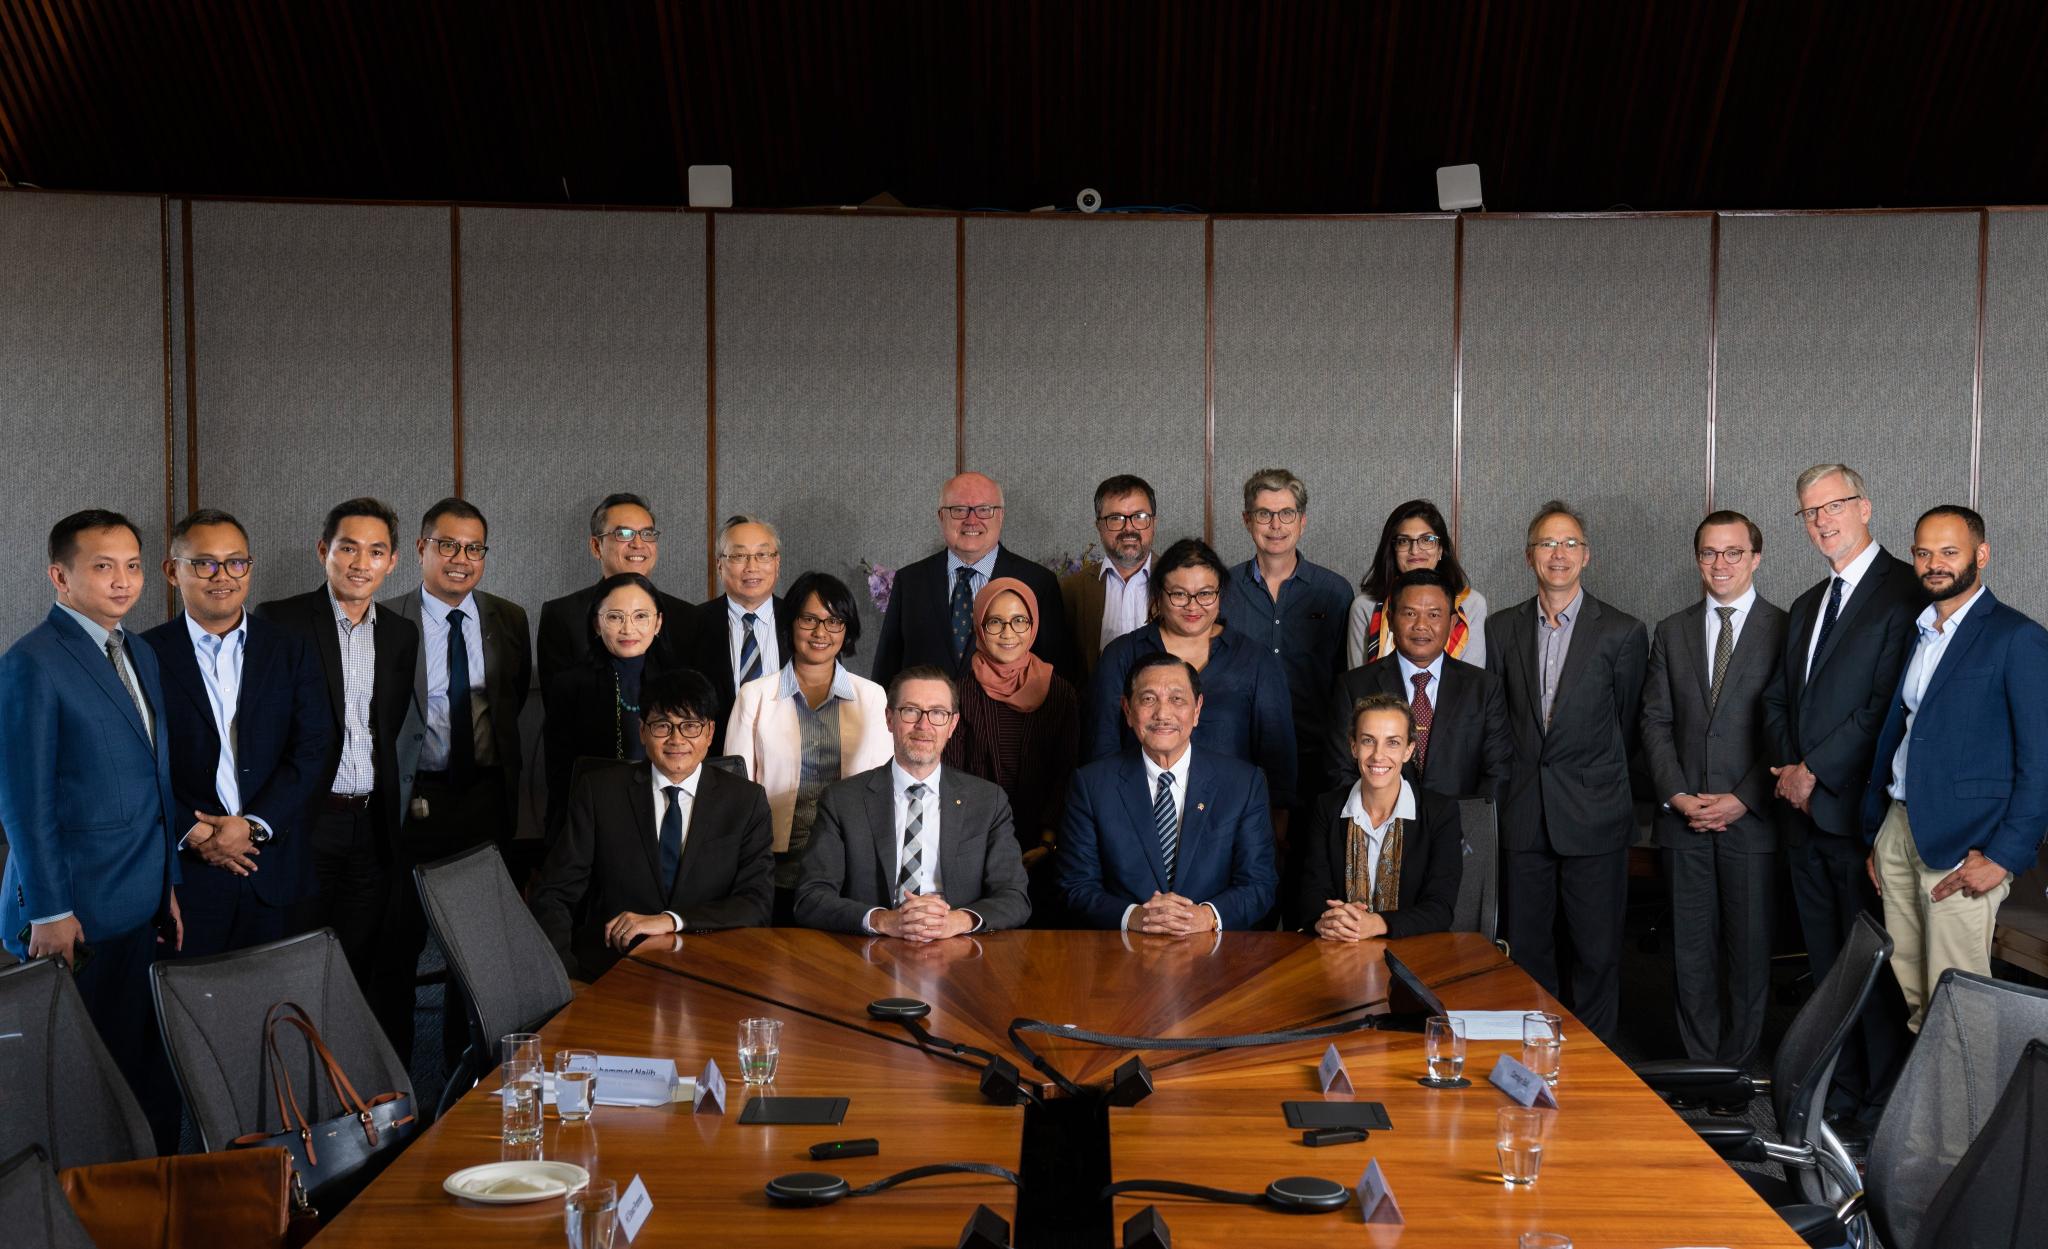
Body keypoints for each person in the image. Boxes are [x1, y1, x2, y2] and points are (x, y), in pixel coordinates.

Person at [0, 510, 183, 1149]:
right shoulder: (31, 662)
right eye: (103, 567)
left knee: (144, 1069)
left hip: (141, 897)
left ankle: (153, 1194)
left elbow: (156, 783)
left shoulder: (139, 649)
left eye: (132, 566)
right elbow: (25, 803)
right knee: (79, 1085)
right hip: (74, 912)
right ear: (60, 576)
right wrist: (49, 910)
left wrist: (170, 883)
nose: (122, 581)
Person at [1760, 464, 1921, 1128]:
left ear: (1866, 507)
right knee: (1828, 976)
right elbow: (1775, 700)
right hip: (1802, 819)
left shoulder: (1904, 592)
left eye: (1834, 506)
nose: (1822, 520)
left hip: (1857, 818)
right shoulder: (1806, 603)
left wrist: (1816, 771)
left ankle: (1879, 1107)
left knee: (1873, 977)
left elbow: (1886, 705)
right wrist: (1787, 770)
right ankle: (1838, 1096)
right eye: (1810, 511)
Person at [1863, 506, 2048, 1033]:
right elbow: (1903, 732)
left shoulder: (2018, 638)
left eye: (1950, 551)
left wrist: (2004, 857)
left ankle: (1971, 1117)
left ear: (1981, 555)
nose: (1934, 564)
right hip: (1900, 829)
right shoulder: (1918, 633)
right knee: (1918, 998)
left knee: (1960, 1005)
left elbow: (2041, 762)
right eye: (1923, 552)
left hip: (1968, 846)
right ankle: (1931, 1114)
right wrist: (1880, 834)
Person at [256, 498, 421, 1048]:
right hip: (306, 822)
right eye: (348, 547)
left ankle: (350, 1087)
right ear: (324, 550)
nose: (360, 562)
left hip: (370, 825)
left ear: (393, 561)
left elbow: (387, 729)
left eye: (376, 551)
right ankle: (295, 1088)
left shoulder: (400, 633)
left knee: (359, 963)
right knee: (297, 961)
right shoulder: (280, 621)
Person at [1485, 500, 1647, 1042]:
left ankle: (1593, 1065)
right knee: (1527, 952)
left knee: (1596, 953)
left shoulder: (1621, 632)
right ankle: (1535, 1058)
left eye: (1571, 544)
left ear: (1587, 556)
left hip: (1594, 813)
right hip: (1524, 814)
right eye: (1548, 544)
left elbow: (1626, 727)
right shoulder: (1501, 627)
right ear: (1529, 556)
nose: (1560, 554)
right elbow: (1499, 723)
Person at [379, 497, 532, 1068]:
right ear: (421, 549)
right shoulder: (388, 619)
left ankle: (462, 1072)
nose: (460, 559)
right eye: (447, 545)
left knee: (479, 951)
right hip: (413, 803)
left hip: (485, 801)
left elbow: (509, 706)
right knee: (399, 947)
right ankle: (396, 1081)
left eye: (473, 548)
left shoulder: (509, 618)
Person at [143, 509, 329, 959]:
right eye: (203, 563)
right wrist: (195, 832)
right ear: (173, 571)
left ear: (249, 566)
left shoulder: (290, 648)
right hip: (188, 874)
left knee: (279, 1011)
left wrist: (254, 826)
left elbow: (313, 748)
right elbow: (138, 763)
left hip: (274, 866)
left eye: (235, 562)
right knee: (190, 1014)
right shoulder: (145, 653)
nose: (221, 576)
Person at [1639, 511, 1787, 1069]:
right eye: (1708, 553)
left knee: (1748, 954)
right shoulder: (1672, 630)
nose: (1719, 564)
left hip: (1751, 820)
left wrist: (1743, 798)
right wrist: (1677, 795)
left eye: (1732, 553)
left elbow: (1786, 726)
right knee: (1689, 952)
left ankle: (1737, 1071)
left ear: (1756, 557)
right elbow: (1653, 722)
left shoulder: (1786, 627)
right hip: (1684, 819)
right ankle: (1701, 1067)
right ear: (1696, 558)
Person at [530, 670, 773, 980]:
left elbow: (757, 903)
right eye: (662, 726)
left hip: (712, 971)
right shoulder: (599, 793)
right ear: (642, 731)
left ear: (710, 733)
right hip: (613, 971)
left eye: (690, 726)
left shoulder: (745, 800)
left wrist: (672, 920)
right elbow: (554, 895)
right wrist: (564, 979)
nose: (676, 740)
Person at [794, 666, 1032, 937]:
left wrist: (957, 921)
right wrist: (883, 921)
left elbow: (1014, 898)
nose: (924, 725)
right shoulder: (842, 800)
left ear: (952, 725)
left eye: (938, 713)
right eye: (910, 710)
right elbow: (810, 898)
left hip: (959, 952)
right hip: (870, 954)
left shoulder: (988, 801)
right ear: (889, 719)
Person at [1062, 653, 1279, 933]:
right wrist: (1135, 917)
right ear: (1127, 710)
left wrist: (1207, 916)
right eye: (1148, 699)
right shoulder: (1091, 785)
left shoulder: (1243, 783)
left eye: (1177, 699)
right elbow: (1075, 885)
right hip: (1121, 954)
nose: (1163, 714)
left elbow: (1259, 885)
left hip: (1215, 955)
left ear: (1197, 709)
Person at [725, 571, 893, 923]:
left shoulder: (873, 697)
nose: (821, 633)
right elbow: (735, 792)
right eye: (809, 619)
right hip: (773, 868)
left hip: (851, 866)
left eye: (834, 621)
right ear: (791, 624)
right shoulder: (754, 696)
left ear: (847, 629)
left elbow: (882, 789)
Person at [1086, 537, 1297, 814]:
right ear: (1158, 595)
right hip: (1137, 813)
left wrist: (1276, 826)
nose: (1193, 606)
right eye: (1179, 594)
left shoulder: (1255, 661)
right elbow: (1102, 748)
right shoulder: (1122, 655)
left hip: (1231, 816)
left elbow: (1278, 758)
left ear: (1220, 594)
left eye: (1206, 593)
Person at [942, 576, 1081, 923]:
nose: (1008, 632)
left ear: (1033, 626)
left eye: (1020, 620)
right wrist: (990, 843)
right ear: (979, 626)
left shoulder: (1060, 692)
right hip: (974, 848)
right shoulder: (958, 693)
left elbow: (1068, 771)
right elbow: (952, 777)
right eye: (996, 622)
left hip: (1047, 848)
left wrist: (1047, 841)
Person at [1224, 469, 1354, 818]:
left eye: (1287, 514)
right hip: (1239, 752)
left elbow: (1347, 678)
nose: (1276, 525)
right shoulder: (1222, 590)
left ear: (1303, 521)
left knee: (1311, 865)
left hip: (1317, 755)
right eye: (1264, 514)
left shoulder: (1335, 592)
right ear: (1247, 520)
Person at [870, 472, 1078, 686]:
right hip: (926, 717)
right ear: (941, 516)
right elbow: (886, 669)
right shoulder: (910, 581)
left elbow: (1057, 673)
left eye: (984, 510)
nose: (971, 520)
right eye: (959, 510)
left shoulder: (1038, 582)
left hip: (1006, 718)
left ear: (1001, 515)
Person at [1286, 693, 1464, 939]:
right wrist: (1326, 922)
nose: (1378, 755)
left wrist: (1377, 924)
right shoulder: (1327, 807)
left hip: (1415, 954)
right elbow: (1312, 893)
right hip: (1340, 949)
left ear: (1408, 750)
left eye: (1392, 742)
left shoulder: (1440, 813)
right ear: (1354, 747)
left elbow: (1439, 908)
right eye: (1368, 741)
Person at [1325, 568, 1511, 801]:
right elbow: (1340, 772)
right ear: (1391, 620)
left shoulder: (1484, 688)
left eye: (1434, 615)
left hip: (1460, 830)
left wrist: (1467, 830)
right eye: (1410, 614)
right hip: (1380, 831)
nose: (1421, 625)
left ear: (1453, 623)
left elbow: (1497, 774)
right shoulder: (1353, 686)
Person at [542, 572, 680, 839]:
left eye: (641, 616)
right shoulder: (569, 685)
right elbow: (559, 777)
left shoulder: (679, 684)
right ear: (596, 624)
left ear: (658, 622)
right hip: (593, 821)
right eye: (615, 617)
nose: (628, 629)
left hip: (664, 818)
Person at [535, 493, 705, 689]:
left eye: (647, 534)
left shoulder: (687, 617)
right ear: (596, 546)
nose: (638, 544)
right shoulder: (562, 615)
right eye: (624, 534)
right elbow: (558, 706)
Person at [1347, 499, 1489, 670]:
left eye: (1427, 539)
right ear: (1392, 550)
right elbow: (1357, 683)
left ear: (1440, 549)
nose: (1415, 550)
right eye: (1404, 541)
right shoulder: (1365, 606)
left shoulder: (1471, 604)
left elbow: (1473, 683)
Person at [696, 514, 790, 751]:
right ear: (719, 564)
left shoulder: (803, 622)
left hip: (791, 759)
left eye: (762, 554)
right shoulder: (691, 623)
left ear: (777, 563)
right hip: (716, 762)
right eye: (738, 556)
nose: (752, 567)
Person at [1060, 474, 1159, 677]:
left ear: (1154, 522)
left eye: (1140, 517)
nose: (1129, 528)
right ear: (1099, 526)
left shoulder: (1179, 581)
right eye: (1115, 518)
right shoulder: (1072, 590)